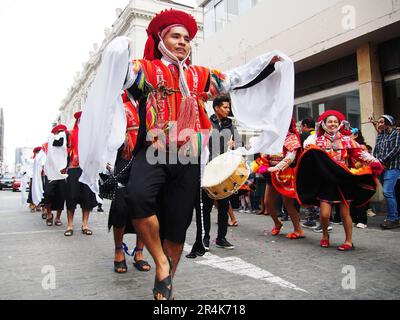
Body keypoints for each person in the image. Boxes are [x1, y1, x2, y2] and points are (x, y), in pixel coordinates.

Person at [80, 9, 294, 300]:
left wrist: (268, 63)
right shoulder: (144, 69)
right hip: (152, 151)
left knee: (179, 223)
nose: (182, 42)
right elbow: (119, 74)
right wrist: (119, 49)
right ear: (161, 40)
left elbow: (234, 78)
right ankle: (161, 262)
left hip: (188, 157)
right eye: (175, 36)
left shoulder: (200, 75)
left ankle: (166, 280)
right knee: (136, 198)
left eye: (187, 38)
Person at [296, 110, 383, 250]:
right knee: (324, 215)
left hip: (343, 180)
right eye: (329, 121)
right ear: (323, 124)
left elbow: (360, 153)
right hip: (326, 181)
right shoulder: (315, 141)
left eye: (335, 122)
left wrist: (374, 161)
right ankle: (325, 235)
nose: (332, 124)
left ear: (340, 124)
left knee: (344, 213)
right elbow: (309, 158)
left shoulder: (347, 140)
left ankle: (349, 241)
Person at [187, 96, 241, 259]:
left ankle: (221, 238)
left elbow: (239, 144)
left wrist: (235, 145)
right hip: (207, 170)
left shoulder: (230, 125)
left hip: (223, 171)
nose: (227, 110)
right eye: (225, 107)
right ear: (216, 108)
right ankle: (205, 238)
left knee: (224, 206)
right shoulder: (206, 123)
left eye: (228, 107)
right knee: (207, 207)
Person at [108, 93, 150, 274]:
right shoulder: (119, 106)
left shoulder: (151, 105)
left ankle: (139, 252)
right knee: (120, 207)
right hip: (124, 159)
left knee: (145, 207)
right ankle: (119, 250)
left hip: (147, 159)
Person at [265, 119, 304, 239]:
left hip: (285, 174)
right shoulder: (271, 136)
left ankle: (298, 230)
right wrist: (263, 163)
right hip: (272, 173)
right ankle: (277, 222)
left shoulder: (291, 137)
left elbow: (291, 156)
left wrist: (278, 167)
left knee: (288, 204)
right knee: (267, 202)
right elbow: (265, 153)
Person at [64, 112, 97, 236]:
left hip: (88, 169)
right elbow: (63, 150)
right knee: (71, 196)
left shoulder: (92, 135)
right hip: (74, 168)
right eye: (80, 120)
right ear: (77, 121)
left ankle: (85, 224)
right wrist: (71, 154)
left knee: (87, 197)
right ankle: (70, 225)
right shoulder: (70, 134)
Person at [372, 115, 400, 229]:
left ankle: (393, 218)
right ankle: (393, 216)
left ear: (388, 122)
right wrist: (375, 161)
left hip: (392, 168)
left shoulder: (396, 134)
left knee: (387, 192)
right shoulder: (380, 135)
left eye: (381, 122)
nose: (379, 123)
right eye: (378, 122)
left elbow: (396, 149)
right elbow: (376, 150)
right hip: (381, 168)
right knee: (390, 193)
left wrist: (382, 160)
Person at [43, 124, 68, 227]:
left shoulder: (66, 143)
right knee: (48, 194)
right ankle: (49, 214)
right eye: (59, 131)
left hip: (62, 173)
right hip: (51, 173)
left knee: (61, 195)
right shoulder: (49, 141)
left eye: (63, 131)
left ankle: (57, 217)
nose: (61, 133)